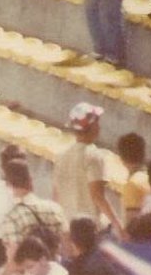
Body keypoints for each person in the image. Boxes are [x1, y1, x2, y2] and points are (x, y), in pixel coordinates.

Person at [54, 103, 125, 240]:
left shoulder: (61, 156)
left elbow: (56, 196)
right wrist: (119, 227)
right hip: (91, 230)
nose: (99, 126)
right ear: (92, 127)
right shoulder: (94, 156)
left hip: (69, 230)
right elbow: (97, 196)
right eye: (97, 123)